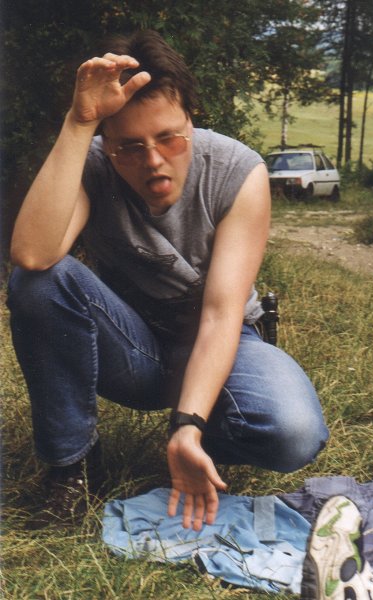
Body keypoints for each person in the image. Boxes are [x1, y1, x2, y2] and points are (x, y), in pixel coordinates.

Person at [7, 30, 329, 531]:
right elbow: (32, 253)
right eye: (130, 147)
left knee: (294, 433)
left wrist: (187, 426)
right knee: (38, 282)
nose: (154, 161)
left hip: (222, 337)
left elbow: (221, 314)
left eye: (169, 139)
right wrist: (79, 123)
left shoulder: (238, 170)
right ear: (107, 144)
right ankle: (72, 467)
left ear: (191, 120)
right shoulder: (92, 163)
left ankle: (202, 438)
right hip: (131, 343)